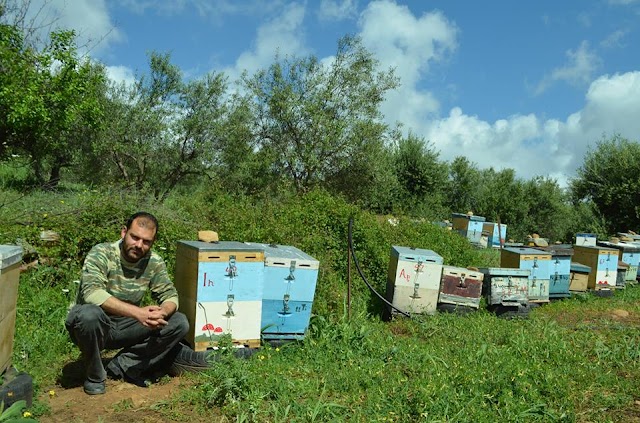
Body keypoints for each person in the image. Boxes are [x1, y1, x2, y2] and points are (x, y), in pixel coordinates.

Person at [65, 211, 210, 395]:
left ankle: (121, 366)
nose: (139, 245)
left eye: (146, 241)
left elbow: (170, 295)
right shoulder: (102, 252)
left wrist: (162, 312)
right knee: (89, 315)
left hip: (126, 325)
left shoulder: (154, 261)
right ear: (124, 233)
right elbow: (92, 293)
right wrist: (138, 313)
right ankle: (94, 375)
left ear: (152, 242)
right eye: (135, 237)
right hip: (95, 325)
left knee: (179, 322)